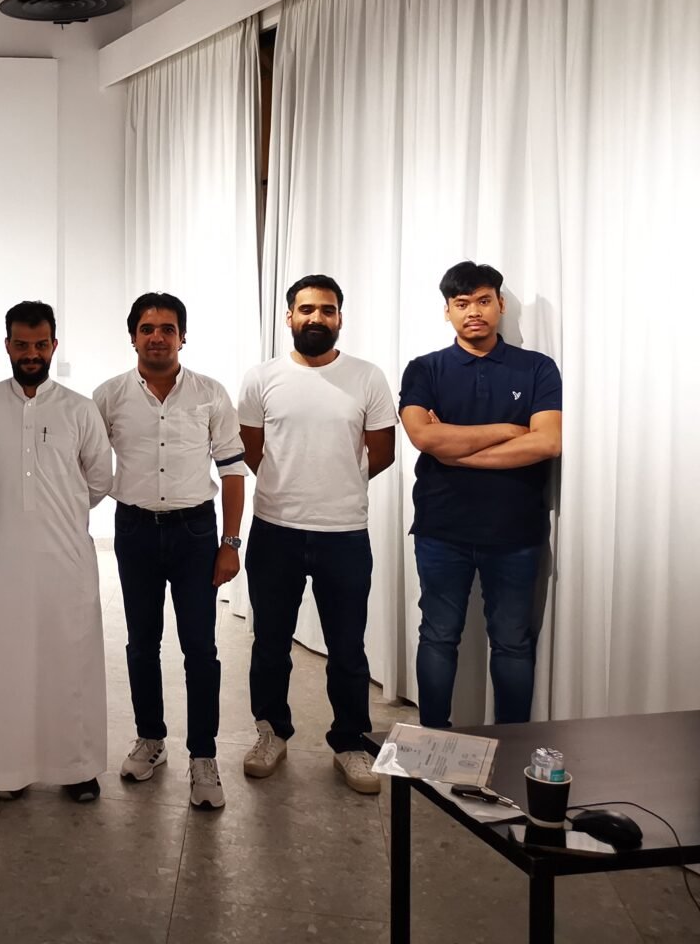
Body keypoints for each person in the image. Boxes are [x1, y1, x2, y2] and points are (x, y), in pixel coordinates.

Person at [237, 276, 397, 794]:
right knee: (270, 643)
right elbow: (251, 449)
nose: (316, 318)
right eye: (306, 309)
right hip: (275, 529)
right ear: (289, 317)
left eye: (327, 310)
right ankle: (271, 732)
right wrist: (292, 487)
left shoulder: (367, 377)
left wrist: (336, 485)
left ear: (340, 318)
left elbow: (382, 451)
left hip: (343, 533)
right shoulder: (262, 378)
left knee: (347, 647)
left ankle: (350, 743)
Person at [93, 292, 247, 810]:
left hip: (195, 533)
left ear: (183, 336)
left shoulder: (210, 393)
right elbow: (87, 463)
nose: (157, 337)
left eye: (167, 329)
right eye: (147, 328)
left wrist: (230, 543)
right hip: (134, 530)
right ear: (132, 336)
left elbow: (232, 470)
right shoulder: (108, 396)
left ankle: (203, 755)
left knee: (200, 648)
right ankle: (151, 739)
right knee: (142, 643)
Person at [398, 261, 562, 728]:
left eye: (484, 301)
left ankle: (510, 746)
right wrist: (507, 431)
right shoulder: (425, 369)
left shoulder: (537, 368)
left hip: (515, 531)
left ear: (500, 305)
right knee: (438, 636)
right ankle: (433, 738)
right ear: (447, 311)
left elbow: (547, 443)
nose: (474, 311)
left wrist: (456, 451)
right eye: (462, 303)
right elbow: (423, 437)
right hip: (441, 529)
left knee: (511, 642)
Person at [0, 301, 113, 802]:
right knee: (6, 662)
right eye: (22, 344)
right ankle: (9, 770)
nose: (32, 353)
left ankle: (76, 768)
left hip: (65, 562)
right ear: (7, 345)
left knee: (70, 662)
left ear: (54, 345)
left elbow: (100, 479)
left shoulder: (79, 409)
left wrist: (60, 514)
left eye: (41, 344)